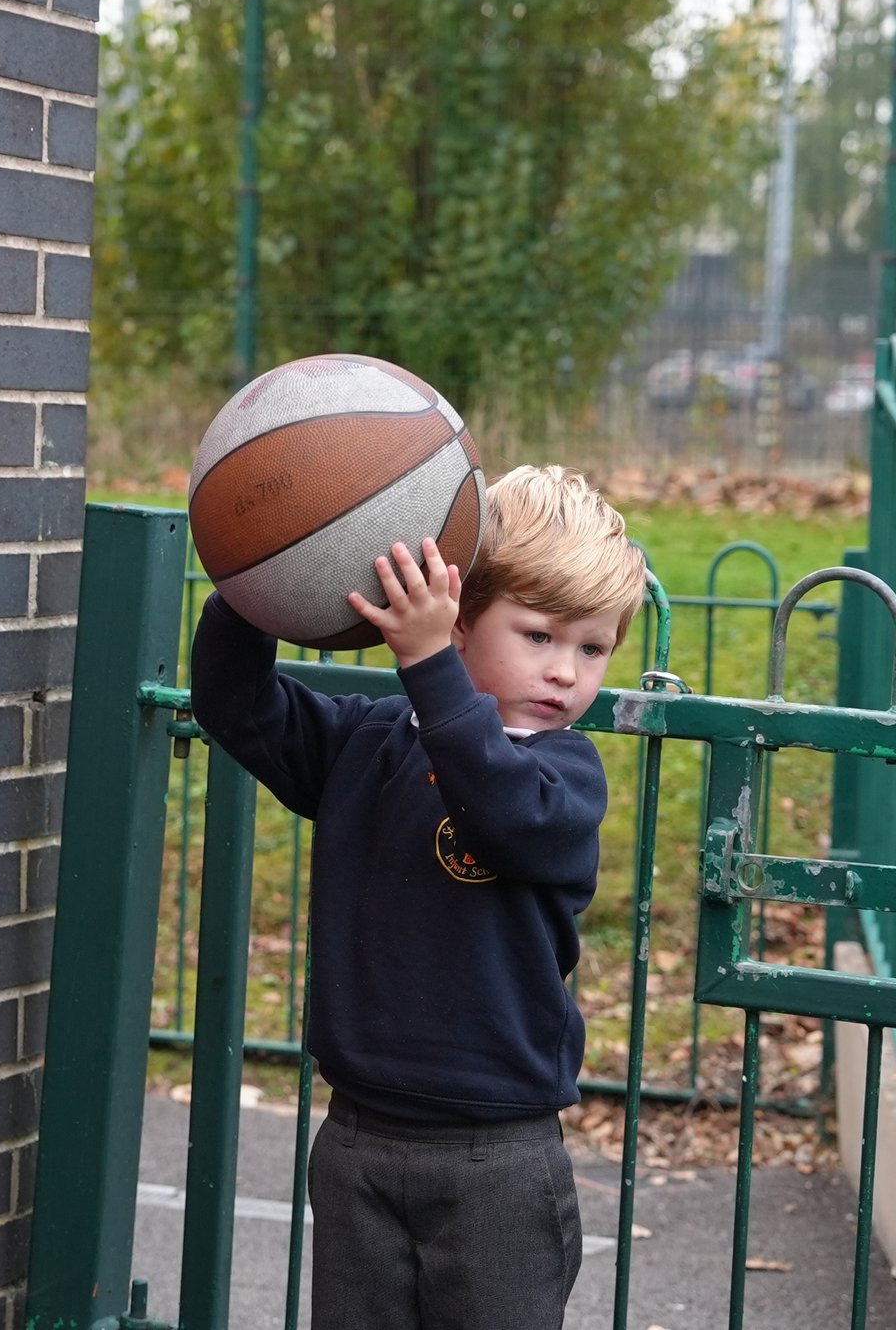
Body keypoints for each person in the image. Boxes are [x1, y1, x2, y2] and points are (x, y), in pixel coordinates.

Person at [189, 464, 652, 1330]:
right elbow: (235, 705)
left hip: (498, 1157)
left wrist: (431, 666)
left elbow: (496, 804)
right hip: (357, 1140)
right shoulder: (364, 743)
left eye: (592, 649)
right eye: (539, 635)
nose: (565, 672)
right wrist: (257, 574)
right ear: (459, 614)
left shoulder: (564, 778)